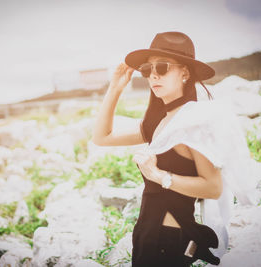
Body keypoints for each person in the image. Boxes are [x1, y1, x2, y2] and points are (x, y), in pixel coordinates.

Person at [92, 31, 223, 266]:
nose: (152, 75)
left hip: (168, 241)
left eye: (161, 67)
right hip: (147, 233)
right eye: (147, 70)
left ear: (185, 72)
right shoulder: (159, 122)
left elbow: (214, 187)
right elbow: (102, 137)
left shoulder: (193, 123)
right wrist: (115, 88)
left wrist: (160, 176)